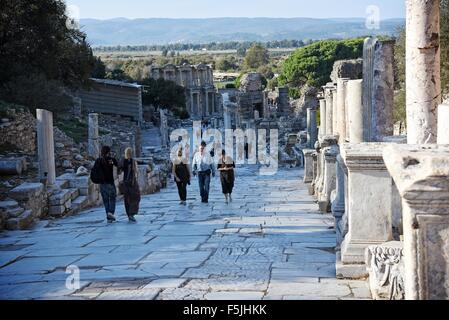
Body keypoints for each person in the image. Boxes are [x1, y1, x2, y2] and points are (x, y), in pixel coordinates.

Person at [96, 146, 118, 223]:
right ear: (108, 152)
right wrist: (112, 157)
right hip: (110, 183)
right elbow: (117, 164)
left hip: (102, 184)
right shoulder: (110, 160)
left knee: (105, 200)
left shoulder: (98, 160)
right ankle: (110, 213)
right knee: (112, 198)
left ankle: (108, 217)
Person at [119, 147, 141, 222]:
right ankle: (132, 213)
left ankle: (129, 214)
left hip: (125, 182)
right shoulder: (133, 161)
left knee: (127, 199)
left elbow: (119, 170)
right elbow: (136, 172)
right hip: (132, 182)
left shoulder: (123, 161)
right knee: (135, 197)